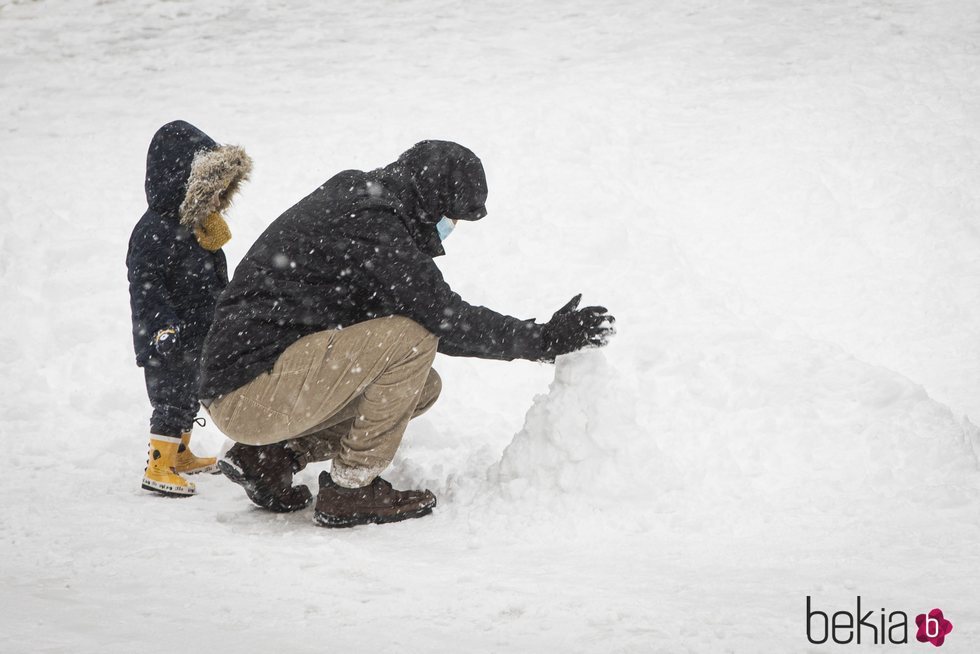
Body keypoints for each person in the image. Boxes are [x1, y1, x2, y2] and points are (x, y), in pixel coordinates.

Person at [198, 140, 614, 527]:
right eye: (451, 215)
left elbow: (428, 314)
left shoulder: (363, 201)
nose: (450, 226)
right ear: (432, 197)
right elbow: (442, 319)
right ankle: (351, 489)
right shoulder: (373, 222)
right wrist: (541, 340)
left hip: (252, 384)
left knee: (420, 386)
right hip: (248, 391)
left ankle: (270, 456)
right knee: (411, 339)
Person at [127, 120, 253, 497]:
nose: (219, 201)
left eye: (223, 192)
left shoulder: (197, 227)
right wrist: (162, 326)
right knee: (171, 396)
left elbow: (215, 277)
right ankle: (159, 463)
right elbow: (145, 287)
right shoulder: (154, 231)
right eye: (213, 192)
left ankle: (179, 453)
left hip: (198, 329)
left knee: (189, 392)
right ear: (184, 185)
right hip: (168, 334)